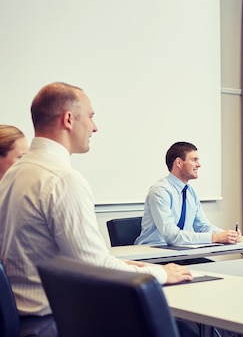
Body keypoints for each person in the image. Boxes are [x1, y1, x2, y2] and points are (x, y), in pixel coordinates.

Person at [0, 82, 193, 337]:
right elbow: (96, 269)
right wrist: (161, 273)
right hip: (56, 324)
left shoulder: (13, 175)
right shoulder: (62, 179)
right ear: (69, 119)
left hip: (25, 322)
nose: (95, 127)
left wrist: (130, 266)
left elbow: (65, 257)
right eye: (90, 116)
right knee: (183, 331)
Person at [135, 141, 241, 246]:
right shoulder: (160, 191)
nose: (199, 165)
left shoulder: (190, 191)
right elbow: (171, 236)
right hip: (154, 253)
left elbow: (203, 226)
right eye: (194, 160)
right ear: (179, 163)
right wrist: (214, 237)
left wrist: (227, 234)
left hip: (179, 250)